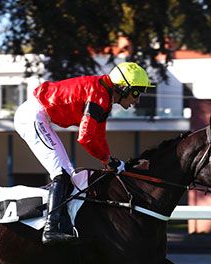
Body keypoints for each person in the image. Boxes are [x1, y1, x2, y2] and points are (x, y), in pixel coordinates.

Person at [14, 62, 152, 245]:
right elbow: (86, 137)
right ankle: (51, 230)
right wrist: (106, 159)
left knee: (68, 174)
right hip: (32, 116)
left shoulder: (104, 96)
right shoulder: (99, 95)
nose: (137, 100)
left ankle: (61, 224)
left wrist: (109, 160)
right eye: (136, 92)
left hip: (39, 116)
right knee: (61, 174)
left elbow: (98, 136)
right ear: (124, 88)